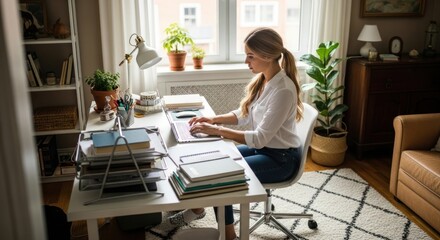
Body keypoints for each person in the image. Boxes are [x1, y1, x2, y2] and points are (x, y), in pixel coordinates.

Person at [165, 27, 303, 240]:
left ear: (266, 56)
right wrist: (213, 119)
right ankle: (198, 209)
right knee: (214, 161)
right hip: (265, 149)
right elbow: (245, 113)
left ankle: (229, 236)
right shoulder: (266, 79)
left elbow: (259, 137)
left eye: (250, 56)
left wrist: (217, 130)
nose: (247, 62)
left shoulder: (283, 90)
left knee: (223, 178)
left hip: (281, 159)